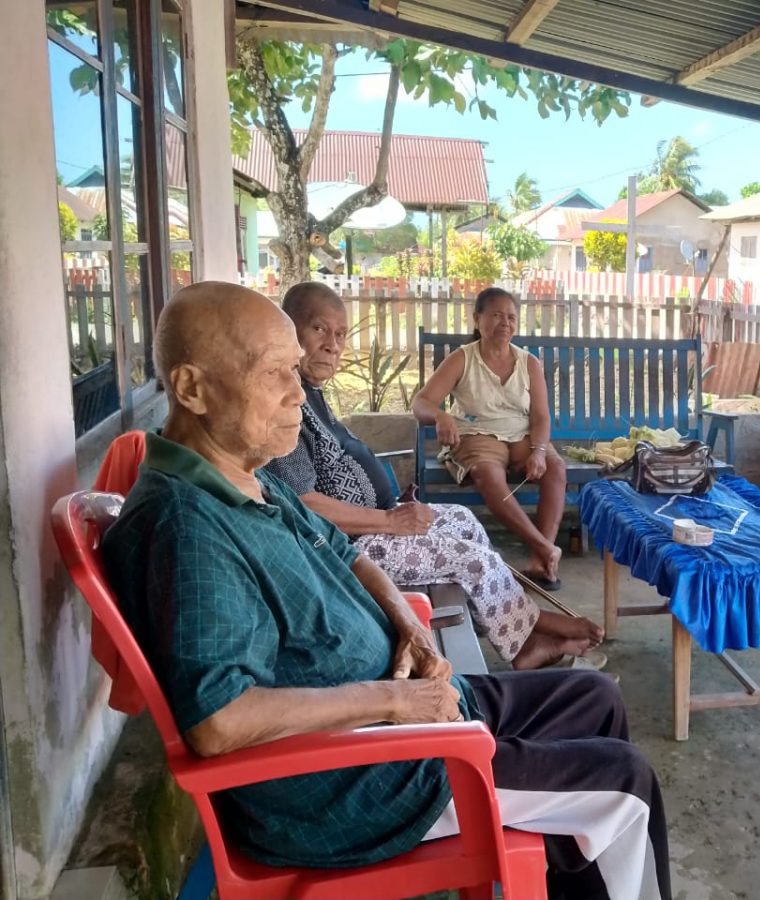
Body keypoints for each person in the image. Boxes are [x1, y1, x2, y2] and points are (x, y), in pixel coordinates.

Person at [101, 282, 671, 899]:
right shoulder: (187, 528)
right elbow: (218, 721)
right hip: (363, 782)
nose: (298, 393)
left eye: (295, 370)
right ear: (192, 388)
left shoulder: (246, 479)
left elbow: (348, 555)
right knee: (625, 782)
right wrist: (396, 702)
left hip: (407, 719)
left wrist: (409, 626)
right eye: (274, 374)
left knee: (596, 697)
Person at [265, 282, 601, 670]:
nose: (332, 345)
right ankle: (531, 632)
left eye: (340, 334)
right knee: (471, 559)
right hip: (350, 547)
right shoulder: (283, 406)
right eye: (319, 329)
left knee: (464, 520)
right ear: (288, 330)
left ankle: (517, 632)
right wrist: (389, 520)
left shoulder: (309, 393)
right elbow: (303, 503)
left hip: (376, 523)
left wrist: (391, 505)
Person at [412, 287, 567, 590]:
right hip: (477, 434)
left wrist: (538, 451)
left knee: (555, 468)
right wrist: (441, 416)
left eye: (511, 317)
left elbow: (540, 416)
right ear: (477, 319)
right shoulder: (462, 359)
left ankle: (540, 560)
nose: (505, 322)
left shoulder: (528, 363)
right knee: (487, 473)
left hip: (522, 435)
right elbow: (421, 403)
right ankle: (546, 548)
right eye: (496, 315)